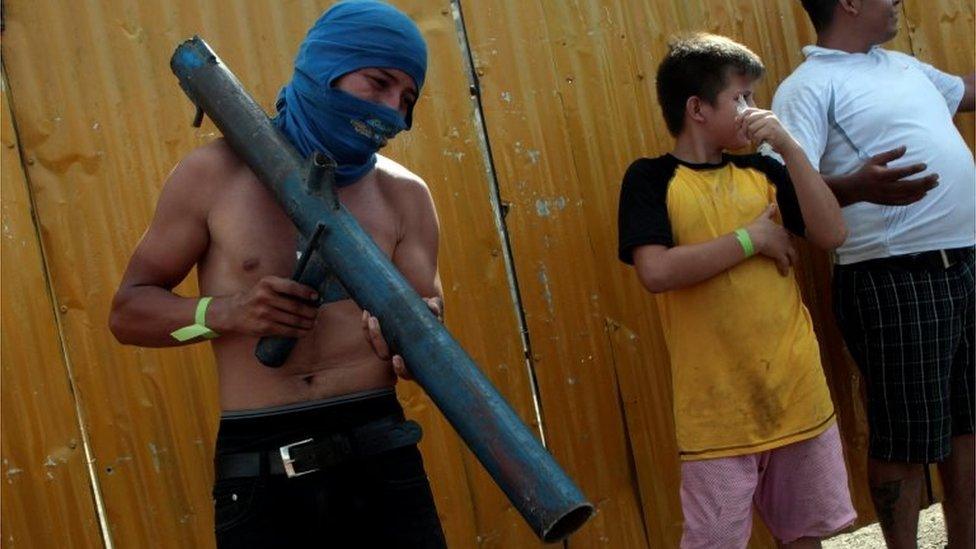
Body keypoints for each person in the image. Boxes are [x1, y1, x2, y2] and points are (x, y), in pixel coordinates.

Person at [109, 2, 447, 547]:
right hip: (260, 470)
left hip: (382, 455)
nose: (391, 111)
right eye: (379, 83)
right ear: (327, 66)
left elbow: (429, 334)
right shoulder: (212, 176)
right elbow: (128, 314)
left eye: (406, 100)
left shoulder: (405, 196)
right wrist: (223, 313)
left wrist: (415, 341)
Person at [617, 33, 854, 548]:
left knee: (807, 537)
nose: (753, 110)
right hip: (717, 416)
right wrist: (753, 238)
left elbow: (832, 234)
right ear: (697, 108)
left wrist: (789, 146)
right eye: (740, 98)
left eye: (753, 98)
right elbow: (656, 272)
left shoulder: (765, 169)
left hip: (796, 396)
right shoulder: (651, 179)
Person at [772, 1, 975, 547]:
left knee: (969, 422)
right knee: (905, 436)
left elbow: (968, 92)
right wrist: (857, 186)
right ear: (850, 3)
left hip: (964, 263)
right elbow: (785, 192)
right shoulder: (809, 87)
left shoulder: (904, 67)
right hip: (891, 278)